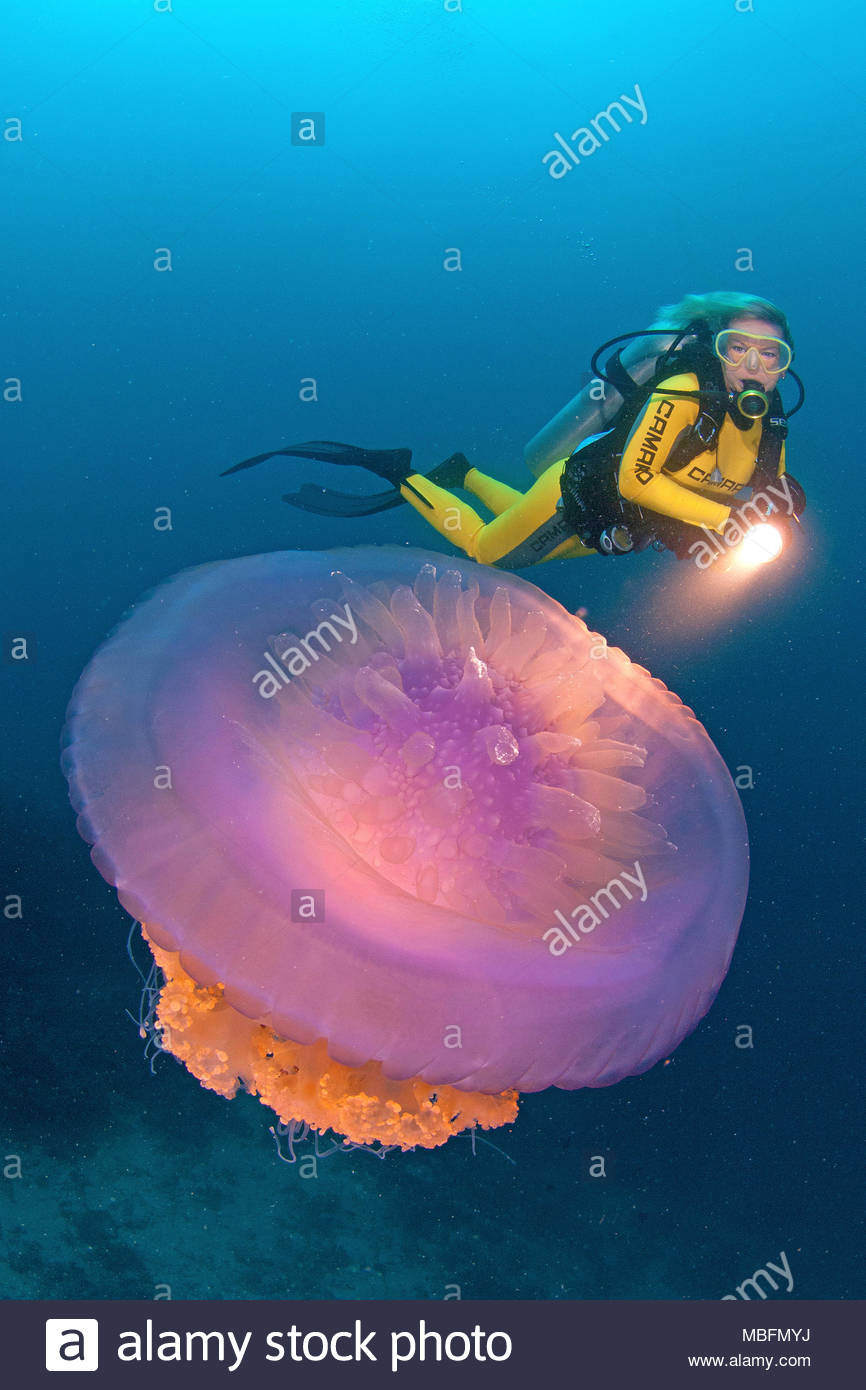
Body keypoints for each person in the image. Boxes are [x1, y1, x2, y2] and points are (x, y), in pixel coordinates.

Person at [223, 292, 806, 569]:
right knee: (488, 551)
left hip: (615, 523)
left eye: (770, 354)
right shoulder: (682, 390)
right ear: (715, 348)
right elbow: (635, 478)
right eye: (738, 347)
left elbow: (763, 486)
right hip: (583, 492)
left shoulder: (771, 421)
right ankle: (398, 470)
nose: (753, 365)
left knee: (523, 531)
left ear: (783, 365)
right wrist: (724, 519)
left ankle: (465, 474)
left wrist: (783, 510)